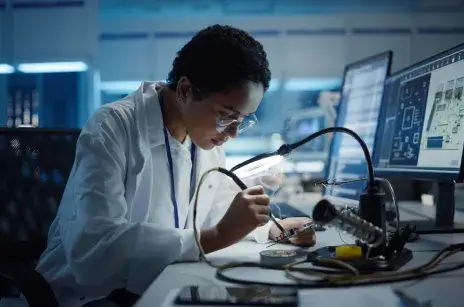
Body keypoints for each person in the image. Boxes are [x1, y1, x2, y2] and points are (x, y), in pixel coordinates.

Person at [35, 24, 316, 307]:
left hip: (157, 284)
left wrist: (270, 229)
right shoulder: (112, 128)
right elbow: (95, 252)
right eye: (226, 115)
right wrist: (217, 236)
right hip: (87, 296)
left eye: (242, 120)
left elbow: (217, 210)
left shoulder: (204, 138)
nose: (231, 133)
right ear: (185, 90)